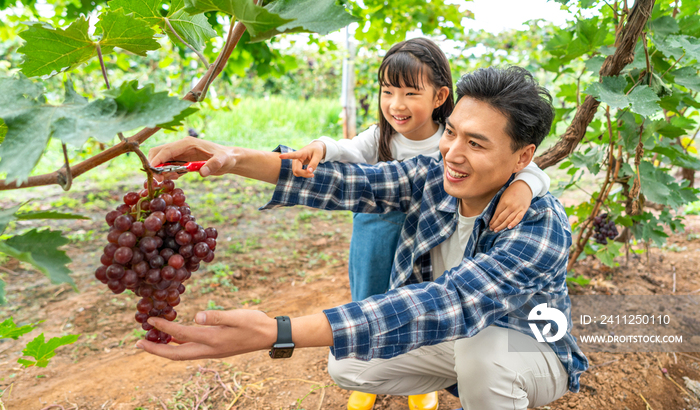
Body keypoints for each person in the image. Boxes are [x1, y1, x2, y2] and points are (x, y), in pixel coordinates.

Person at [139, 66, 588, 410]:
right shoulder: (433, 174)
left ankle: (491, 388)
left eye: (477, 143)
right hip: (458, 334)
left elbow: (451, 301)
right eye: (451, 133)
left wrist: (278, 332)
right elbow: (347, 182)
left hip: (528, 344)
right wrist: (232, 157)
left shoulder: (539, 223)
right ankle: (462, 381)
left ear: (523, 157)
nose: (452, 152)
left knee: (483, 353)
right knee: (349, 360)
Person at [287, 38, 551, 410]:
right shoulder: (383, 137)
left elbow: (527, 164)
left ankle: (419, 381)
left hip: (425, 234)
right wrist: (320, 147)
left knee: (424, 301)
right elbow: (346, 153)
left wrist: (524, 186)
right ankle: (369, 368)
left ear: (440, 95)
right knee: (371, 295)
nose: (397, 104)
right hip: (377, 231)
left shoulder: (454, 132)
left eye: (411, 92)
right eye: (387, 91)